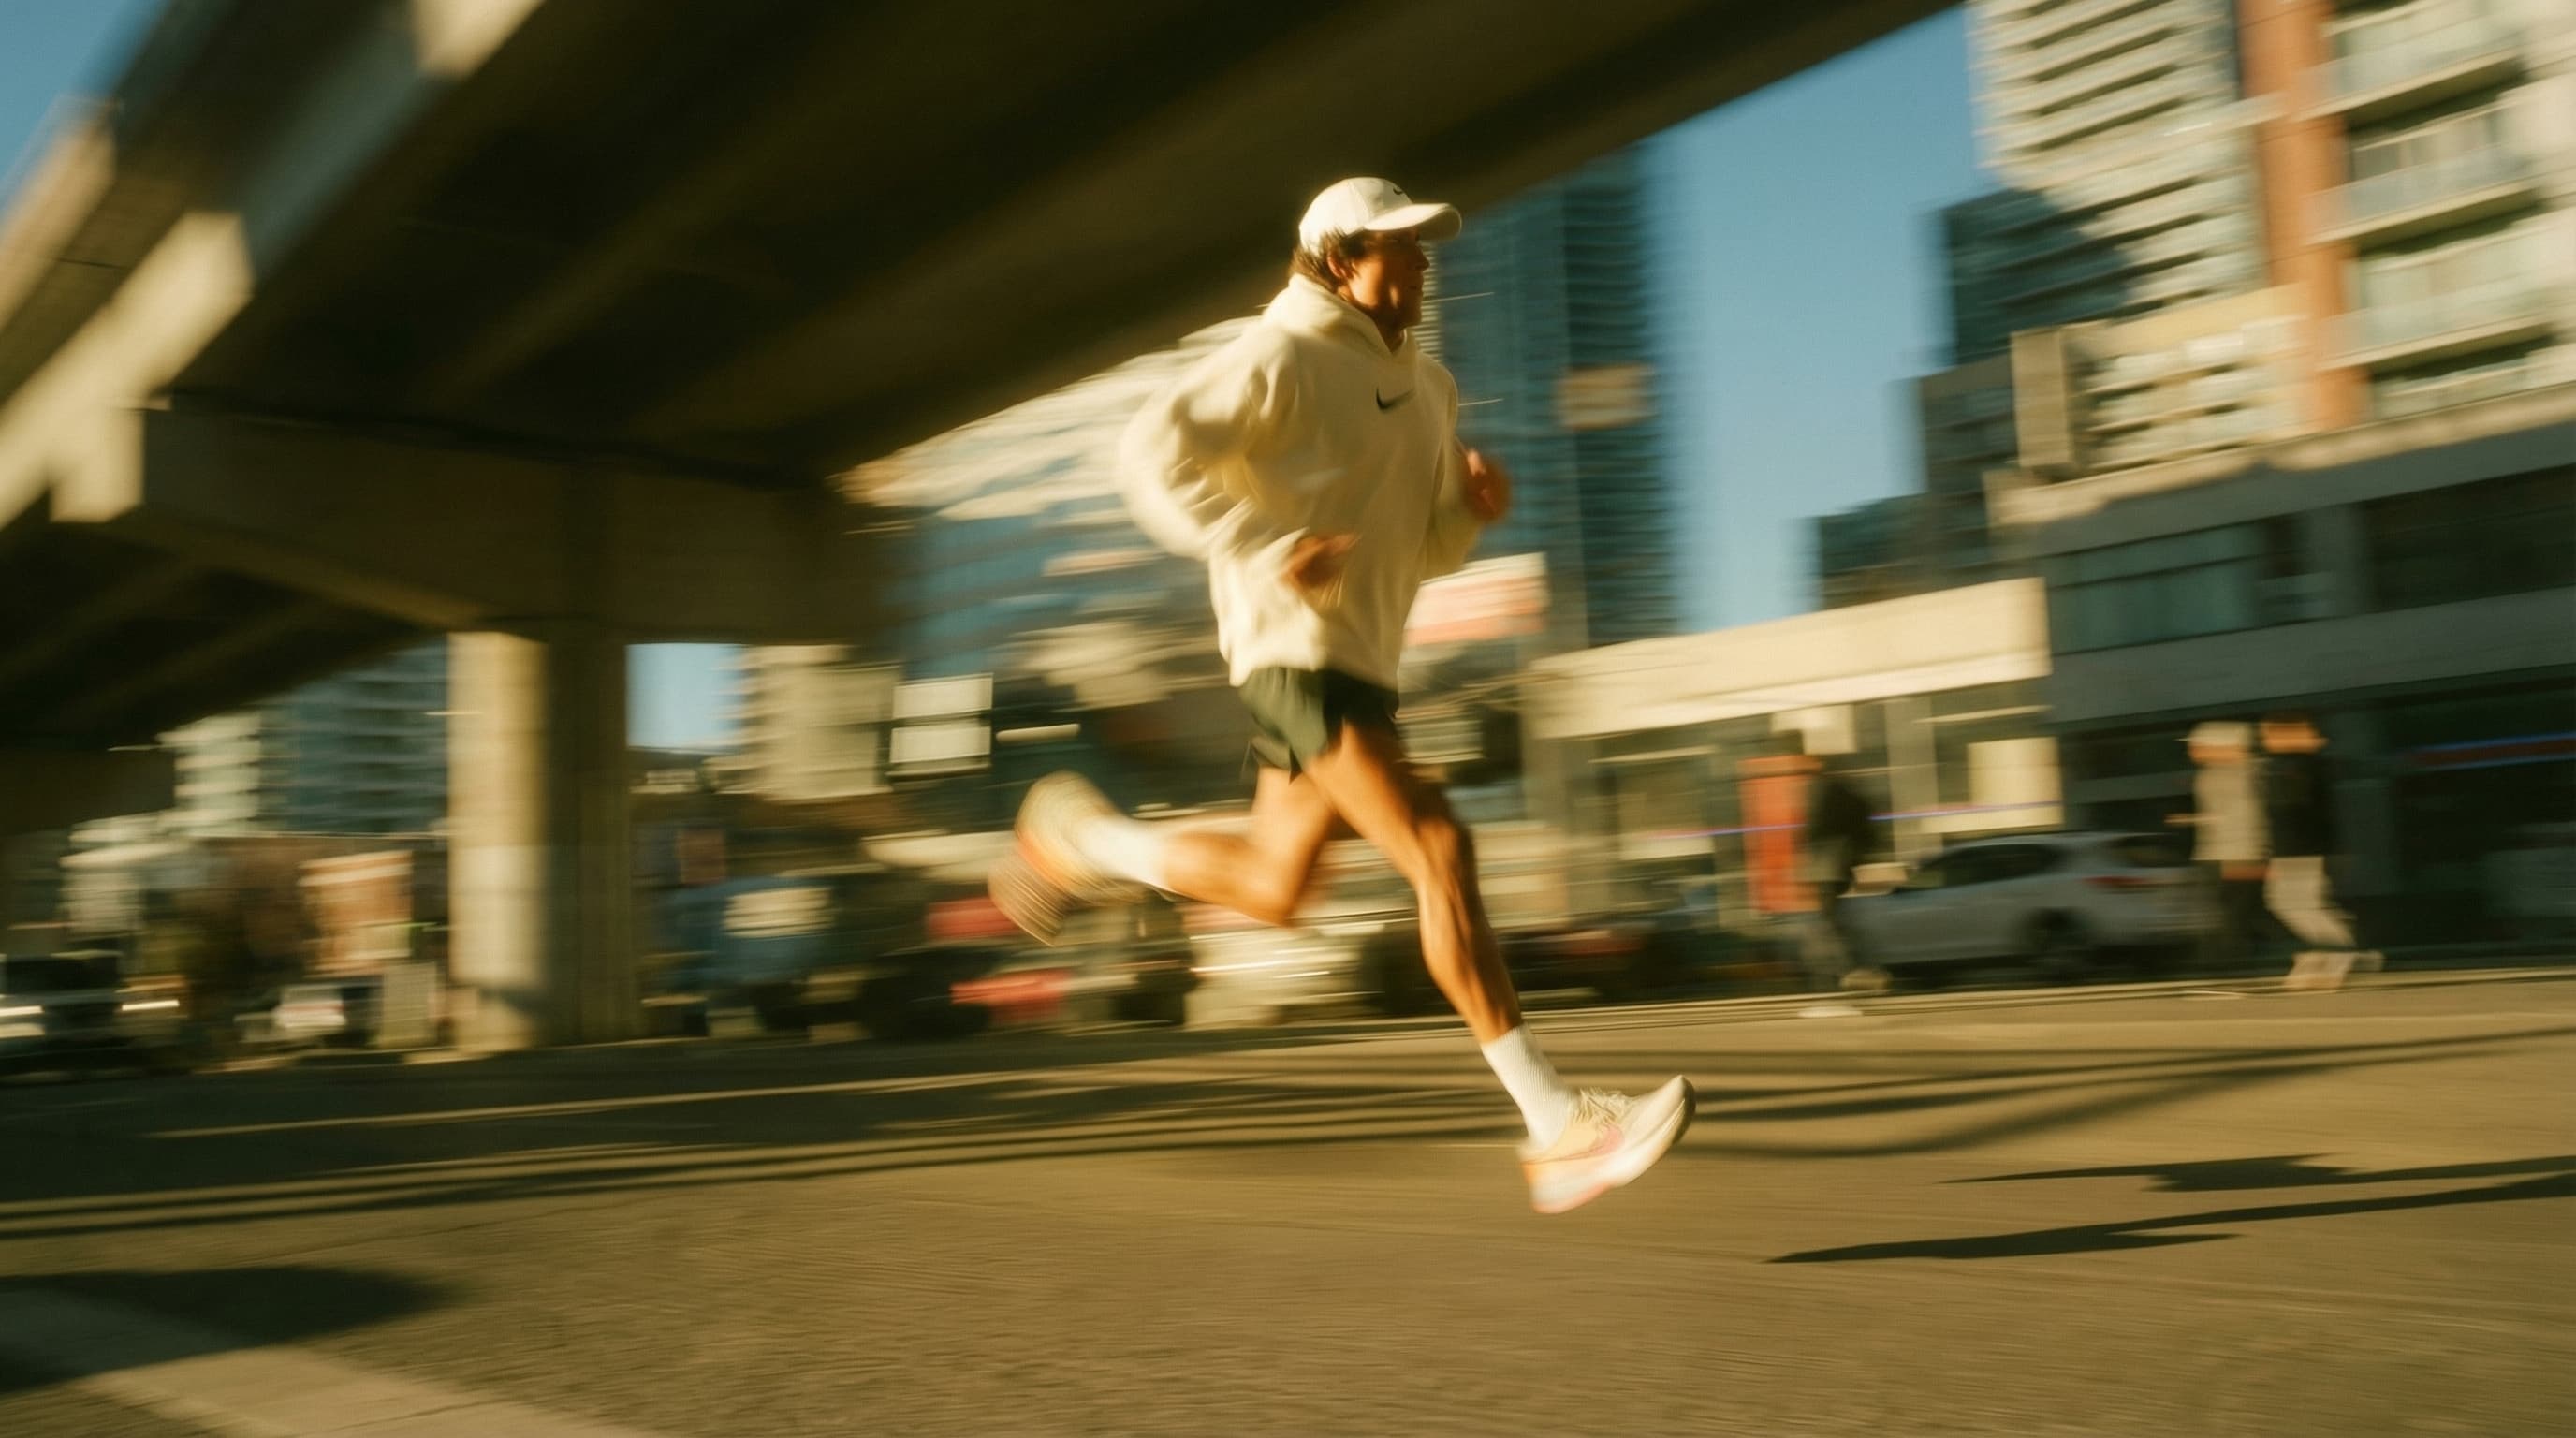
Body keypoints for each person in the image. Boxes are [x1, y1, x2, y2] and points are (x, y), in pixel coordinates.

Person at [988, 177, 1693, 1214]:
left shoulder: (1432, 390)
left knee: (1279, 888)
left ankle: (1082, 843)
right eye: (1401, 248)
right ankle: (1554, 1127)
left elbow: (1420, 552)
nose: (1422, 263)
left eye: (1425, 247)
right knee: (1439, 846)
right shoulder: (1277, 355)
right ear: (1336, 259)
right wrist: (1263, 547)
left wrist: (1469, 520)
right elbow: (1148, 456)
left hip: (1361, 667)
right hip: (1291, 660)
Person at [2261, 712, 2378, 991]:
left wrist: (2281, 853)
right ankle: (2336, 947)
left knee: (2293, 903)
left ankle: (2340, 949)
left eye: (2270, 734)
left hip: (2301, 849)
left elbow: (2295, 814)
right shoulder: (2297, 765)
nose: (2266, 739)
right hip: (2299, 849)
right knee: (2297, 903)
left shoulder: (2299, 766)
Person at [2177, 720, 2270, 972]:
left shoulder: (2249, 773)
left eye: (2199, 746)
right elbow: (2220, 816)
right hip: (2214, 853)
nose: (2193, 751)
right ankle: (2222, 962)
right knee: (2223, 911)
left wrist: (2254, 852)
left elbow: (2249, 817)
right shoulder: (2208, 775)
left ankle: (2228, 964)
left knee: (2233, 912)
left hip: (2239, 854)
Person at [1801, 760, 1886, 995]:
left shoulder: (1829, 791)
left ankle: (1857, 969)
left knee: (1834, 919)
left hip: (1830, 861)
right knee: (1836, 918)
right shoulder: (1845, 792)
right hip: (1840, 862)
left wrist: (1809, 847)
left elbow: (1818, 828)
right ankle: (1856, 968)